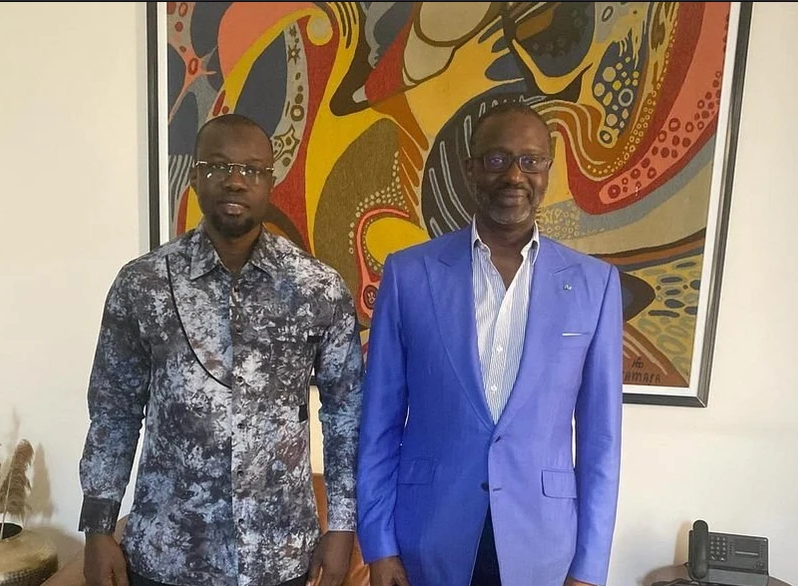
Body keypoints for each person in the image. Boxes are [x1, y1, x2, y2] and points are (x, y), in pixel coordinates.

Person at [78, 113, 364, 586]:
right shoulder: (142, 284)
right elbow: (113, 410)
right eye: (218, 167)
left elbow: (345, 414)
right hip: (167, 554)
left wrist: (342, 527)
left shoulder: (318, 289)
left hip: (281, 554)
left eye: (251, 169)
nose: (235, 181)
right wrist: (97, 527)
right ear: (194, 178)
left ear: (270, 182)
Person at [356, 101, 623, 586]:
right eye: (497, 159)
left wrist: (590, 564)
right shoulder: (409, 274)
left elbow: (601, 440)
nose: (514, 175)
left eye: (530, 160)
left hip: (542, 542)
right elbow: (379, 421)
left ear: (547, 169)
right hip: (427, 533)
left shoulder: (594, 285)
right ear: (471, 169)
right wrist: (378, 544)